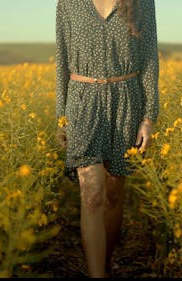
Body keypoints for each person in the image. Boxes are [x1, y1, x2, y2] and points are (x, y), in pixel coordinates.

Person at [55, 0, 159, 277]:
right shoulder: (68, 3)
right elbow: (62, 58)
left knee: (113, 195)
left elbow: (149, 58)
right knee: (91, 195)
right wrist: (60, 117)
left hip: (127, 100)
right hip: (82, 101)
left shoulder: (142, 3)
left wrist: (148, 118)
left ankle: (106, 265)